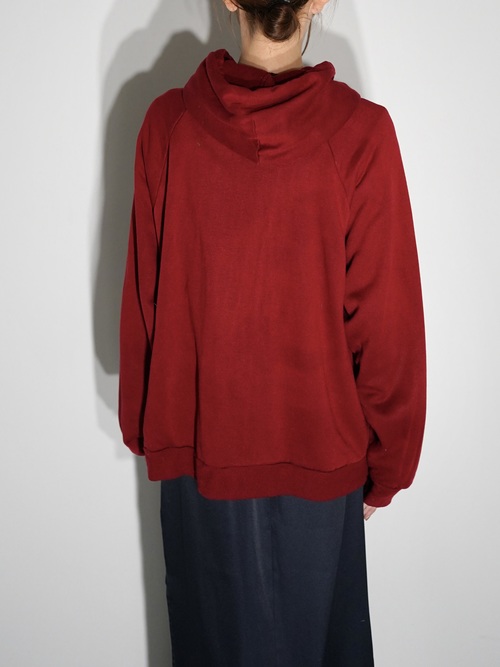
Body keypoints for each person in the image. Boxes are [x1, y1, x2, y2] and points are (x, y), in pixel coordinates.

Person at [118, 0, 426, 664]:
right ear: (318, 2)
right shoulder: (361, 135)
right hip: (321, 467)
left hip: (200, 463)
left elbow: (145, 301)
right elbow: (389, 328)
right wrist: (388, 466)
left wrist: (151, 428)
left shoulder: (167, 127)